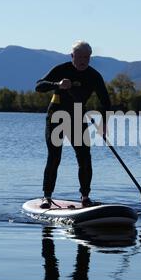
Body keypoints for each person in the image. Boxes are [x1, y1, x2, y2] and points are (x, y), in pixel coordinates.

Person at [35, 41, 111, 209]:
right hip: (56, 117)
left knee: (85, 157)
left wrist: (105, 123)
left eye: (87, 57)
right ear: (72, 56)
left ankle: (85, 197)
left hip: (77, 116)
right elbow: (39, 86)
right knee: (54, 156)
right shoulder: (61, 70)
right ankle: (47, 197)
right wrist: (57, 85)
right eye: (80, 57)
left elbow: (106, 102)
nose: (83, 60)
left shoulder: (94, 76)